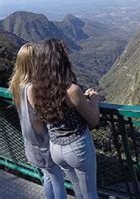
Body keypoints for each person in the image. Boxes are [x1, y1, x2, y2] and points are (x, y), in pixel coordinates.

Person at [31, 39, 101, 199]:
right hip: (77, 147)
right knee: (90, 193)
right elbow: (94, 120)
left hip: (55, 148)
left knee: (78, 191)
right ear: (61, 61)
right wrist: (94, 100)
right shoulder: (71, 90)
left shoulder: (36, 91)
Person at [9, 43, 67, 199]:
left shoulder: (17, 84)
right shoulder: (32, 88)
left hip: (31, 142)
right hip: (42, 142)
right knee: (57, 180)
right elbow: (44, 114)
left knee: (48, 177)